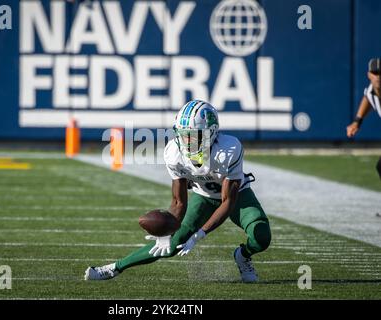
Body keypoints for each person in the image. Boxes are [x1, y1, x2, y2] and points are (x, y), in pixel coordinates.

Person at [84, 100, 272, 283]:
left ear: (211, 133)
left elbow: (227, 202)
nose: (186, 141)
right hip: (203, 196)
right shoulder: (173, 153)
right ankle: (114, 268)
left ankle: (243, 255)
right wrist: (167, 231)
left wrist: (200, 234)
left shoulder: (228, 150)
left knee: (261, 236)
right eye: (183, 134)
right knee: (171, 245)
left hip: (237, 197)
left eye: (193, 135)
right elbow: (178, 203)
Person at [346, 58, 381, 178]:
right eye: (375, 73)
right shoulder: (372, 90)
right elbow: (368, 99)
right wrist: (357, 122)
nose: (378, 77)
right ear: (369, 75)